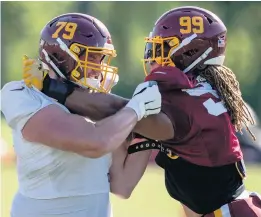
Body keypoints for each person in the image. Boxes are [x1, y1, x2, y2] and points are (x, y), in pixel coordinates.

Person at [23, 7, 261, 217]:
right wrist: (117, 127)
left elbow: (117, 109)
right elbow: (122, 185)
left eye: (163, 46)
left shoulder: (183, 106)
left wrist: (52, 87)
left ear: (189, 52)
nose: (152, 53)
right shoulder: (185, 98)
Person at [1, 13, 162, 217]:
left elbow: (122, 184)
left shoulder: (99, 106)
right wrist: (137, 109)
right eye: (91, 56)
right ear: (61, 56)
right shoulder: (21, 95)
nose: (99, 67)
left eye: (101, 57)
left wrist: (148, 127)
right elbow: (94, 141)